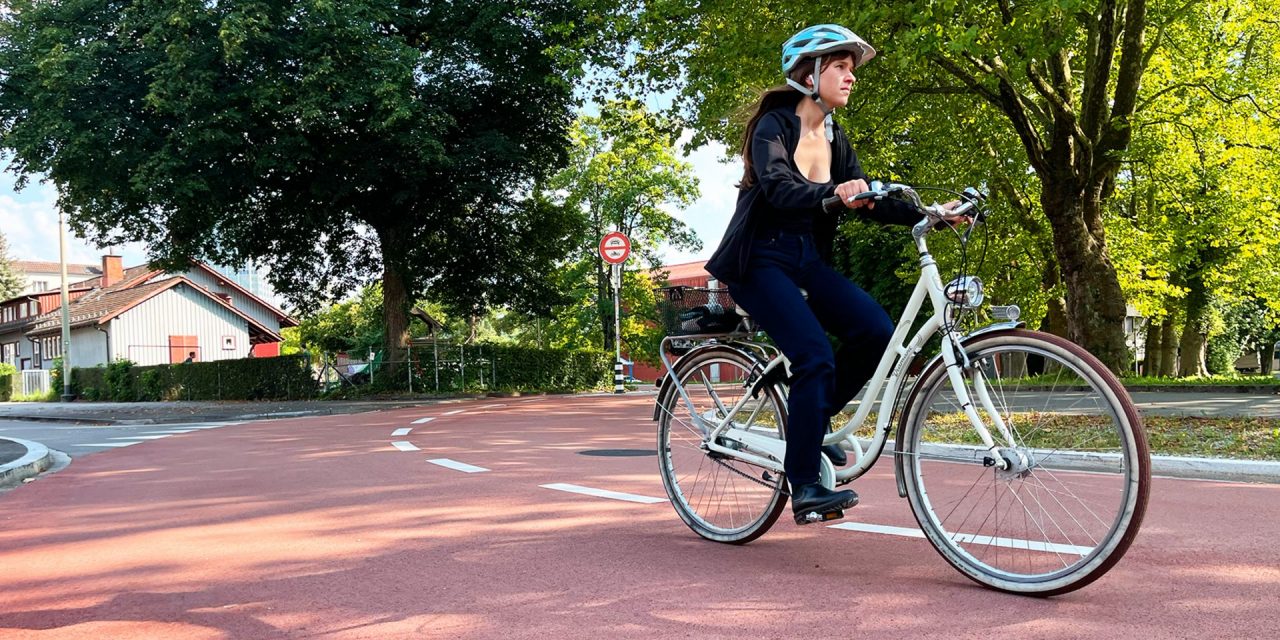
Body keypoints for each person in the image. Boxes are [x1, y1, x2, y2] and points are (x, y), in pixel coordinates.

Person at [705, 24, 956, 525]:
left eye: (850, 68)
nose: (851, 77)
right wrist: (832, 194)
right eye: (840, 67)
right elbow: (778, 188)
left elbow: (868, 199)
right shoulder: (774, 126)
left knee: (876, 332)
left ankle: (810, 420)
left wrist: (931, 214)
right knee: (814, 355)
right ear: (809, 74)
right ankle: (804, 485)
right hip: (758, 262)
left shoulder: (835, 137)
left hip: (806, 261)